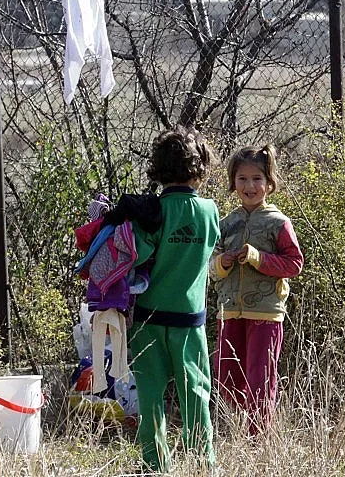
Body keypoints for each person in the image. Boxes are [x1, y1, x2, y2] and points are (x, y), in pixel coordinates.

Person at [128, 127, 220, 472]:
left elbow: (136, 255)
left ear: (158, 170)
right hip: (189, 322)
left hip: (148, 318)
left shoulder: (152, 212)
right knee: (195, 392)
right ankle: (202, 462)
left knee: (150, 394)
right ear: (200, 169)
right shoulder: (209, 212)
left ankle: (154, 464)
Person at [211, 144, 304, 435]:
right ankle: (231, 434)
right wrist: (222, 262)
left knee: (259, 378)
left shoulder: (279, 222)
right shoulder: (225, 223)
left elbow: (294, 264)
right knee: (227, 377)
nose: (249, 186)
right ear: (232, 182)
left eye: (256, 179)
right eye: (242, 179)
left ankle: (258, 437)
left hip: (266, 313)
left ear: (269, 182)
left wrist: (257, 258)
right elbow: (209, 268)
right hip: (229, 313)